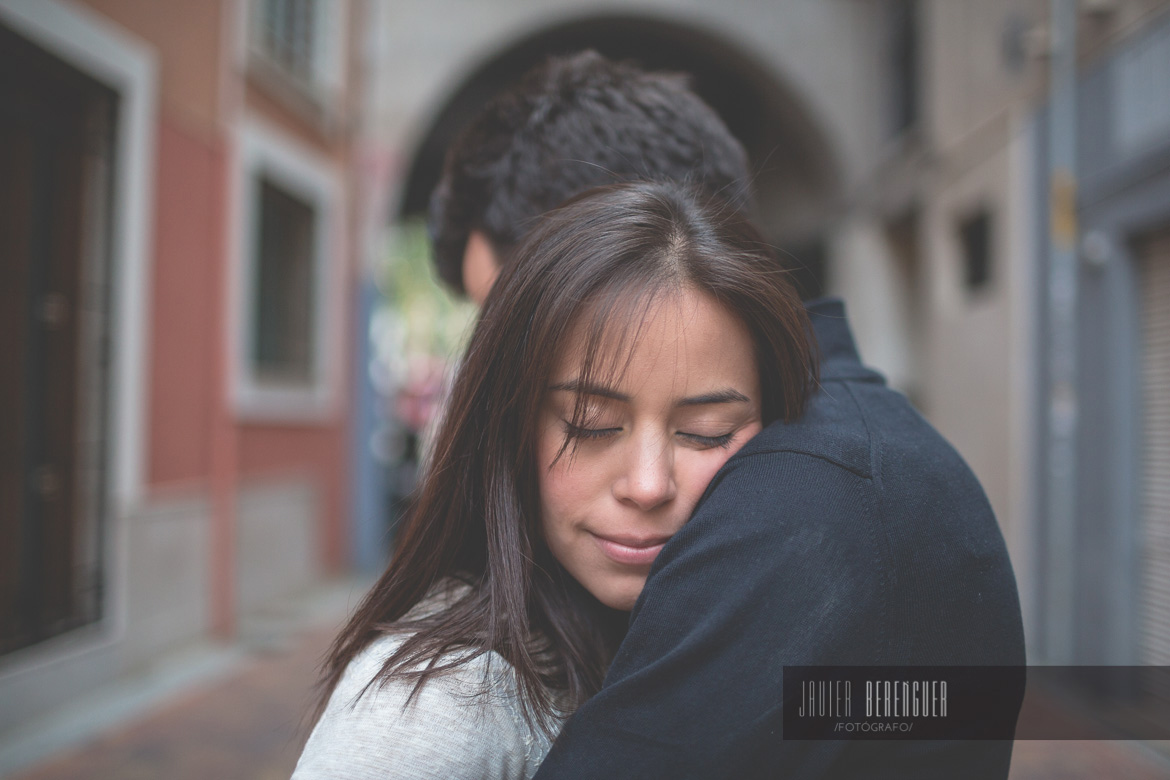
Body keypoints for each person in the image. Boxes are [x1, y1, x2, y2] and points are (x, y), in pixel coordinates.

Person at [431, 52, 1026, 779]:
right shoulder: (851, 451)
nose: (497, 362)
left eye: (504, 313)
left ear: (604, 245)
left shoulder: (799, 501)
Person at [291, 181, 817, 779]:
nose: (647, 486)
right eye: (590, 425)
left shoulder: (767, 631)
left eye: (705, 431)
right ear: (509, 423)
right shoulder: (428, 710)